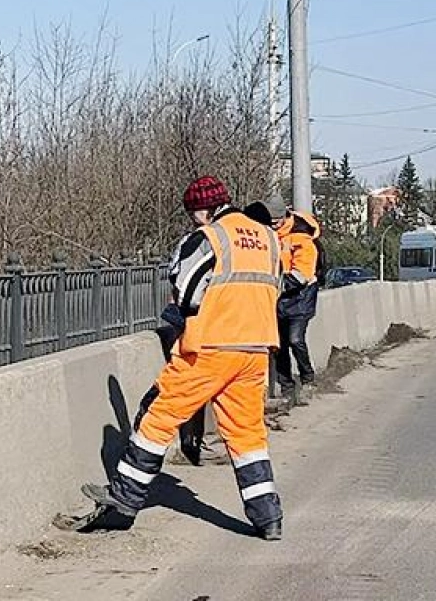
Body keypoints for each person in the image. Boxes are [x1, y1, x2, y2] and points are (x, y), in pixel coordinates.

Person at [56, 176, 285, 540]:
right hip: (256, 349)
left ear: (203, 209)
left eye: (194, 213)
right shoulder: (268, 238)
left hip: (211, 348)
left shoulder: (210, 237)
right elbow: (277, 287)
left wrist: (184, 314)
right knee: (247, 435)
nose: (194, 220)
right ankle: (268, 518)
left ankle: (123, 502)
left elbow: (187, 291)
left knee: (156, 417)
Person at [264, 195, 322, 408]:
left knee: (295, 338)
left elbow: (302, 273)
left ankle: (308, 379)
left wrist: (276, 286)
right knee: (278, 344)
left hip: (300, 295)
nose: (272, 225)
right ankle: (287, 388)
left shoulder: (301, 237)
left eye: (275, 221)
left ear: (284, 216)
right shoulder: (268, 236)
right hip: (280, 296)